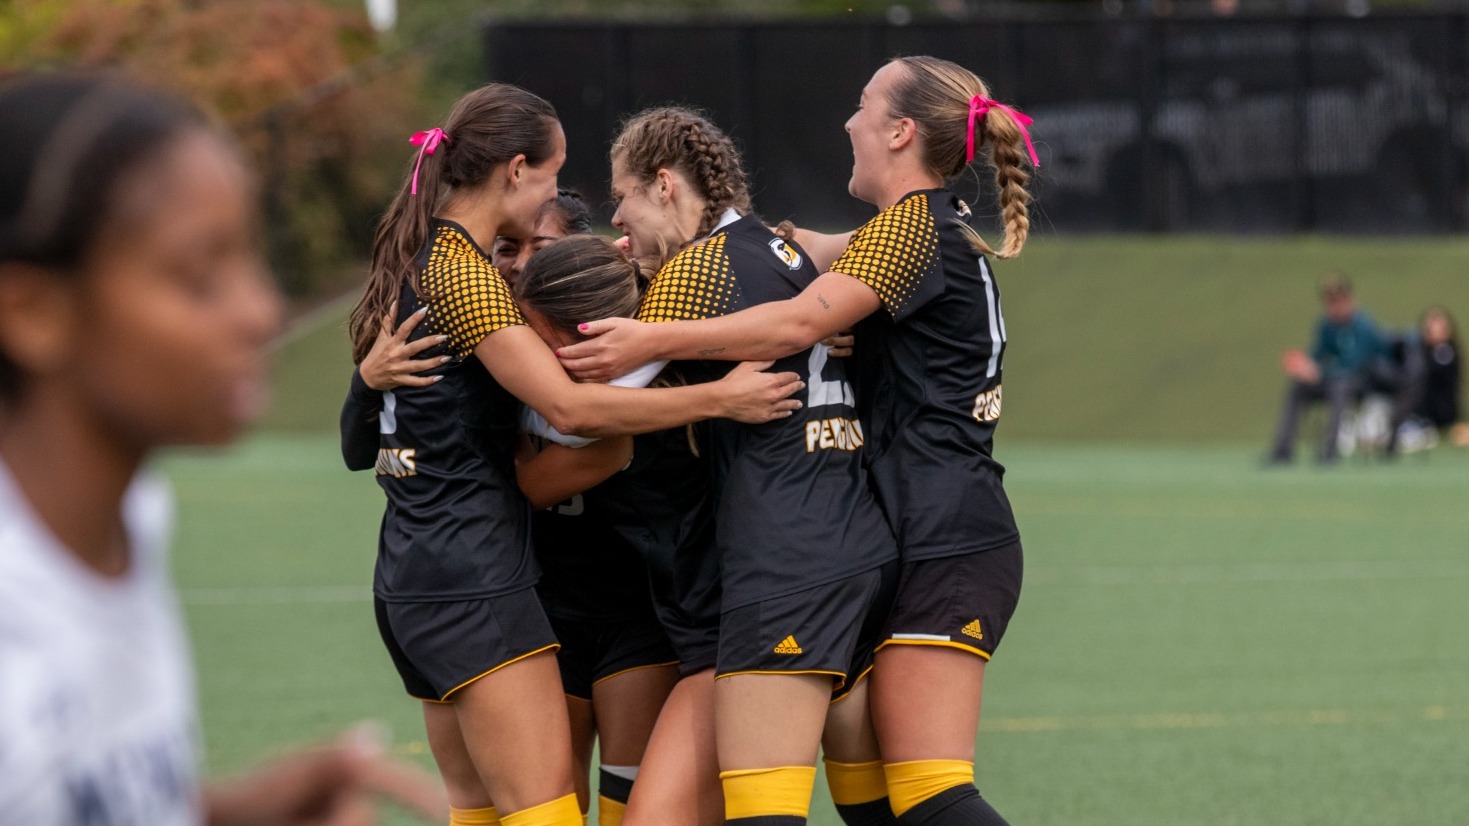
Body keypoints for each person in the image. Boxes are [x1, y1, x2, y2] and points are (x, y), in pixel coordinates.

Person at [556, 56, 1038, 825]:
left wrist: (649, 336)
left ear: (900, 132)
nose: (847, 122)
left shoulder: (910, 226)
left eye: (862, 104)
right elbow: (805, 259)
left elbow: (795, 321)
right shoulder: (915, 228)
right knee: (881, 807)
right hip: (896, 538)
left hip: (937, 535)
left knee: (929, 797)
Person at [347, 84, 803, 826]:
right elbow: (570, 410)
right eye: (554, 175)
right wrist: (720, 397)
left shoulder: (429, 260)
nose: (554, 199)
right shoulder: (463, 271)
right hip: (472, 575)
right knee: (547, 814)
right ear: (516, 170)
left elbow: (359, 443)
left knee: (484, 812)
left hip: (418, 572)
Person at [0, 73, 445, 825]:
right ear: (34, 312)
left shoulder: (126, 518)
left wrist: (239, 812)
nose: (261, 312)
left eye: (251, 259)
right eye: (199, 276)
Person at [341, 207, 692, 825]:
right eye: (509, 249)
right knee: (543, 802)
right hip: (539, 606)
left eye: (543, 248)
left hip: (635, 607)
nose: (523, 263)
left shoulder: (631, 353)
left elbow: (586, 432)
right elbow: (525, 465)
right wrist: (367, 382)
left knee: (628, 807)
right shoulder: (489, 351)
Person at [602, 106, 899, 826]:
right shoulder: (779, 251)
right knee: (879, 813)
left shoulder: (697, 269)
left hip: (784, 565)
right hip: (852, 547)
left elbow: (579, 415)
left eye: (623, 195)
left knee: (757, 815)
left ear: (664, 185)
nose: (616, 218)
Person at [1268, 273, 1386, 464]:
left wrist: (1321, 372)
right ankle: (1282, 450)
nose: (1335, 307)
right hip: (1331, 379)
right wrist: (1306, 366)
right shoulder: (1326, 326)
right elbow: (1318, 353)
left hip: (1362, 382)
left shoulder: (1363, 326)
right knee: (1298, 387)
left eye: (1339, 301)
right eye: (1330, 302)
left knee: (1340, 388)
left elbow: (1355, 364)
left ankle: (1330, 451)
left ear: (1349, 300)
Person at [1386, 305, 1462, 454]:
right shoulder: (1422, 350)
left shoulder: (1446, 352)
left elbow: (1428, 371)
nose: (1433, 330)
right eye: (1430, 326)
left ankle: (1423, 429)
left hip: (1440, 411)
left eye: (1438, 326)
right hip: (1422, 409)